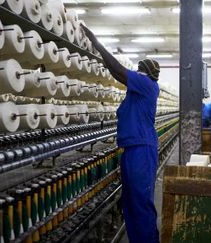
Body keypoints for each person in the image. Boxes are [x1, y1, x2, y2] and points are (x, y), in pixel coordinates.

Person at [82, 25, 160, 243]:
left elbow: (118, 70)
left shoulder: (147, 85)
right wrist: (98, 56)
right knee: (130, 203)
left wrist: (96, 42)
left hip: (142, 152)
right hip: (132, 152)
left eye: (137, 71)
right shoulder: (136, 92)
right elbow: (116, 72)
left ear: (144, 74)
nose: (133, 74)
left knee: (141, 203)